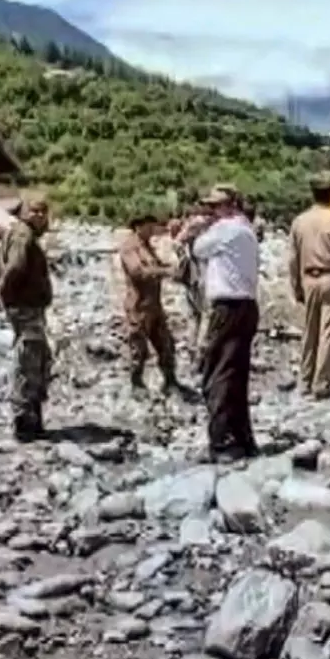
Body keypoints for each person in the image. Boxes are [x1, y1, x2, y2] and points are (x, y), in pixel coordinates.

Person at [179, 184, 260, 462]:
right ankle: (242, 439)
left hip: (227, 306)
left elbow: (198, 249)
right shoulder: (245, 229)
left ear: (231, 206)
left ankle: (222, 442)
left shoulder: (226, 230)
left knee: (218, 374)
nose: (212, 212)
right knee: (236, 374)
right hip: (246, 306)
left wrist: (193, 232)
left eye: (217, 206)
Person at [287, 171, 330, 398]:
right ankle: (321, 382)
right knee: (329, 333)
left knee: (310, 331)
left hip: (308, 278)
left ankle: (304, 381)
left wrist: (296, 286)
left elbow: (293, 258)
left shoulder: (299, 221)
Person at [0, 196, 54, 442]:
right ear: (24, 213)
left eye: (44, 212)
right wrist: (4, 292)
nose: (41, 216)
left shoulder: (26, 235)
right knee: (29, 358)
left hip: (28, 307)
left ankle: (31, 417)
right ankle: (24, 420)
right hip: (25, 308)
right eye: (35, 211)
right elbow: (16, 267)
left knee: (36, 357)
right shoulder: (23, 234)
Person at [118, 214, 187, 396]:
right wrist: (164, 272)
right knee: (139, 348)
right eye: (148, 227)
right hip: (138, 306)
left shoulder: (147, 246)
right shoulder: (129, 247)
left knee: (166, 344)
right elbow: (137, 272)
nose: (152, 231)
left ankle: (170, 381)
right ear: (138, 227)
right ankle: (137, 383)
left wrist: (172, 268)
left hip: (154, 305)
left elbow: (156, 265)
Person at [171, 204, 213, 366]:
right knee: (206, 315)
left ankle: (192, 351)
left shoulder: (194, 224)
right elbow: (177, 243)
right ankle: (200, 354)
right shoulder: (202, 224)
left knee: (194, 316)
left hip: (192, 276)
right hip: (203, 274)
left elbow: (176, 244)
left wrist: (184, 259)